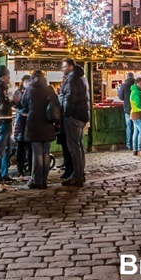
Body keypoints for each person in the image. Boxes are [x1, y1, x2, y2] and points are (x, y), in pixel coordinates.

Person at [21, 70, 58, 189]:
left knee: (37, 153)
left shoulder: (30, 89)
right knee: (46, 152)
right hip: (47, 123)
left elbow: (23, 103)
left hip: (34, 123)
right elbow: (56, 104)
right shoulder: (49, 89)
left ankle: (37, 181)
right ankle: (44, 180)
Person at [59, 58, 89, 187]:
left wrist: (66, 114)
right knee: (79, 146)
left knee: (74, 147)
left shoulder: (71, 79)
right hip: (81, 116)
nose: (62, 68)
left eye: (64, 66)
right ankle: (80, 173)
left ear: (71, 66)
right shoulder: (82, 78)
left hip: (74, 116)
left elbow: (69, 98)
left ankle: (77, 176)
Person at [11, 75, 33, 179]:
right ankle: (20, 170)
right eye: (26, 81)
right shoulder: (18, 92)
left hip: (30, 123)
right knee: (20, 148)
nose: (28, 83)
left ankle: (31, 169)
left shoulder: (33, 92)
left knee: (30, 148)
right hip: (20, 124)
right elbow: (15, 105)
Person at [116, 73, 135, 151]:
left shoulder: (124, 85)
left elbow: (120, 97)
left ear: (127, 77)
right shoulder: (136, 84)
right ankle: (135, 144)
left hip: (127, 108)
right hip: (136, 108)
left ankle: (128, 145)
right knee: (136, 127)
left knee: (129, 127)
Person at [129, 77, 141, 156]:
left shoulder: (135, 91)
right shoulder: (137, 92)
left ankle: (135, 150)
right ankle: (140, 150)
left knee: (136, 132)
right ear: (138, 83)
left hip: (134, 114)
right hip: (138, 114)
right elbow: (138, 103)